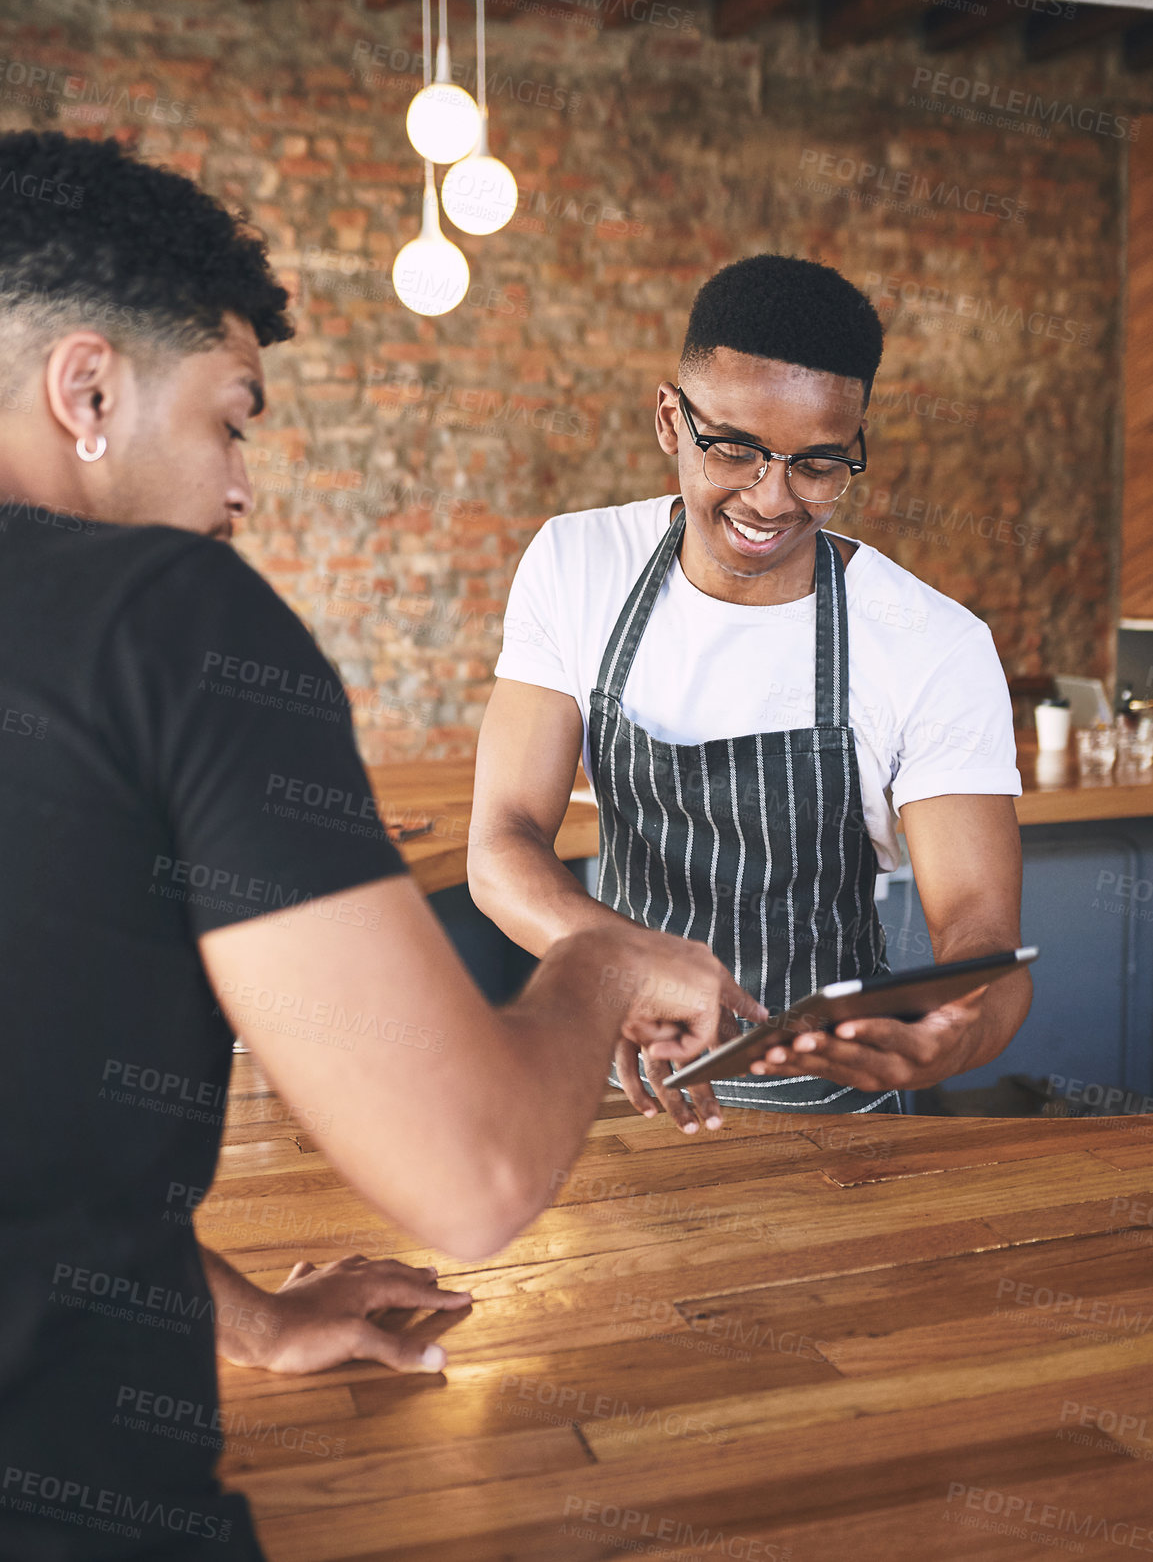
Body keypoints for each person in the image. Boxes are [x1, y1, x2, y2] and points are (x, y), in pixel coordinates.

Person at [0, 130, 766, 1562]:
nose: (239, 488)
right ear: (88, 390)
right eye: (232, 420)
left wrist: (260, 1321)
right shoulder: (171, 620)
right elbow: (467, 1176)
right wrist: (598, 960)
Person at [469, 253, 1031, 1130]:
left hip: (828, 1124)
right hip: (615, 1093)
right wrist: (619, 963)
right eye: (732, 448)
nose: (770, 499)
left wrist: (954, 1037)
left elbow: (982, 939)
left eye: (817, 464)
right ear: (669, 419)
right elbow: (500, 846)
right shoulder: (576, 566)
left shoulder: (935, 644)